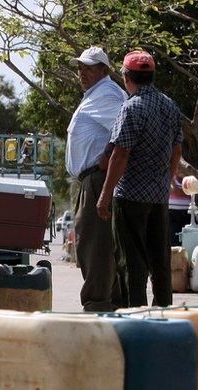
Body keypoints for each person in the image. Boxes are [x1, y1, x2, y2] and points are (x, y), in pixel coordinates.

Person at [97, 51, 183, 307]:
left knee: (131, 263)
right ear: (152, 76)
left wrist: (104, 196)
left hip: (129, 197)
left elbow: (120, 154)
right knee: (160, 262)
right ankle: (164, 315)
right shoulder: (170, 106)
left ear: (126, 77)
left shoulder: (131, 107)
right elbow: (176, 151)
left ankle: (134, 318)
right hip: (158, 198)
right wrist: (166, 180)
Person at [66, 46, 127, 311]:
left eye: (89, 67)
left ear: (104, 70)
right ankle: (106, 302)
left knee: (96, 246)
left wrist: (108, 154)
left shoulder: (107, 93)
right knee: (93, 242)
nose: (82, 73)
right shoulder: (96, 94)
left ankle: (99, 305)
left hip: (99, 178)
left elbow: (125, 129)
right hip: (91, 179)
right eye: (80, 68)